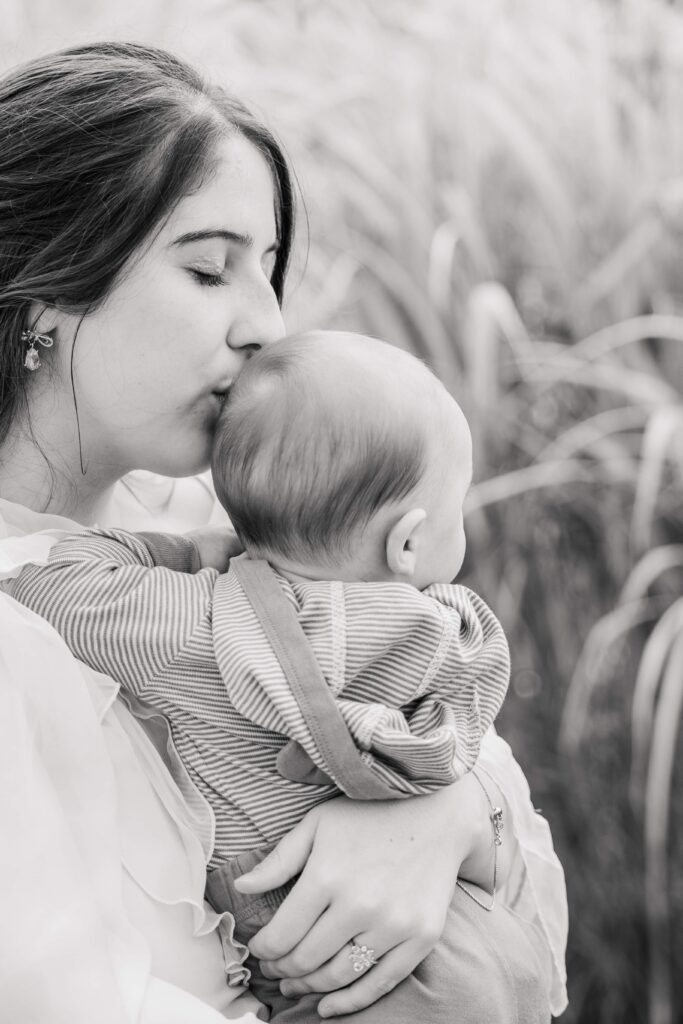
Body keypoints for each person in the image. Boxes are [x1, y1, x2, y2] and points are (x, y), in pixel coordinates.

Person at [0, 41, 568, 1024]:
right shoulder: (27, 635)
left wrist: (447, 821)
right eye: (209, 269)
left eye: (266, 272)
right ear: (44, 298)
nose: (264, 324)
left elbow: (535, 923)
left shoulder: (240, 543)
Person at [13, 330, 528, 1021]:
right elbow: (472, 734)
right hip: (459, 949)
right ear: (407, 543)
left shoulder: (185, 623)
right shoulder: (440, 635)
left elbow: (42, 581)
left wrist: (199, 555)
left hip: (310, 966)